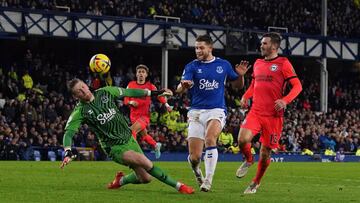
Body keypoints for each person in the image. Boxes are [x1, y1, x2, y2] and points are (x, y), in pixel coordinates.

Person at [60, 78, 194, 194]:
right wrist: (67, 151)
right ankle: (179, 186)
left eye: (83, 86)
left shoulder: (105, 92)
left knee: (145, 178)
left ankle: (120, 181)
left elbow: (129, 92)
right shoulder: (80, 111)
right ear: (75, 96)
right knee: (145, 162)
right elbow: (69, 132)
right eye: (79, 91)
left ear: (86, 84)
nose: (83, 91)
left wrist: (155, 93)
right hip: (114, 147)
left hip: (129, 138)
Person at [176, 34, 250, 192]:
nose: (198, 50)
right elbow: (179, 89)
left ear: (210, 48)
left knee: (210, 139)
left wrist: (241, 76)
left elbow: (237, 86)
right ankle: (197, 172)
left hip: (216, 110)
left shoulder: (223, 65)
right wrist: (183, 86)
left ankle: (208, 181)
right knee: (195, 157)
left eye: (201, 47)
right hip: (196, 112)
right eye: (196, 48)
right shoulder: (192, 66)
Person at [235, 32, 303, 194]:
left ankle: (255, 182)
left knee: (265, 153)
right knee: (242, 140)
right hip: (256, 112)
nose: (261, 46)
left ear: (274, 46)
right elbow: (254, 84)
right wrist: (246, 95)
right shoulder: (257, 63)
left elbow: (298, 86)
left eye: (264, 43)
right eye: (261, 43)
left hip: (273, 117)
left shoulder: (284, 63)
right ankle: (249, 159)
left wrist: (285, 100)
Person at [124, 64, 171, 159]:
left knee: (132, 131)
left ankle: (135, 155)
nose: (141, 74)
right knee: (144, 136)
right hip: (133, 116)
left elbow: (159, 96)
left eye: (143, 72)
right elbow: (125, 99)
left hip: (144, 116)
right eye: (139, 72)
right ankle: (155, 145)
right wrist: (130, 102)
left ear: (146, 75)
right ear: (136, 74)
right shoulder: (131, 85)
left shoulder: (150, 86)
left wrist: (167, 105)